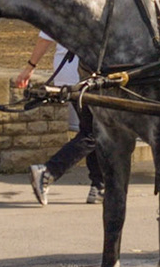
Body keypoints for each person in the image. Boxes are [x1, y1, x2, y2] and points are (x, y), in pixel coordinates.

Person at [16, 34, 104, 204]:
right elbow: (45, 38)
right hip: (83, 78)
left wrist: (30, 67)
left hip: (71, 76)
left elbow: (45, 37)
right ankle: (48, 172)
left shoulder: (60, 9)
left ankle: (99, 186)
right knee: (94, 133)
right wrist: (29, 67)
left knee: (92, 130)